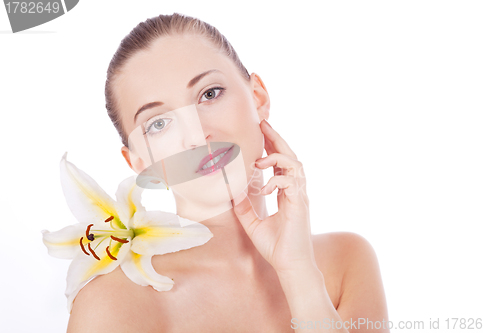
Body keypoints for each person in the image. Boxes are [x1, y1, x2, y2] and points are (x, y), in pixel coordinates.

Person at [67, 13, 389, 332]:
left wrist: (299, 274)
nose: (196, 136)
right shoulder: (112, 303)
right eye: (158, 124)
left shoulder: (347, 262)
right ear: (139, 164)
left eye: (209, 94)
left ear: (258, 96)